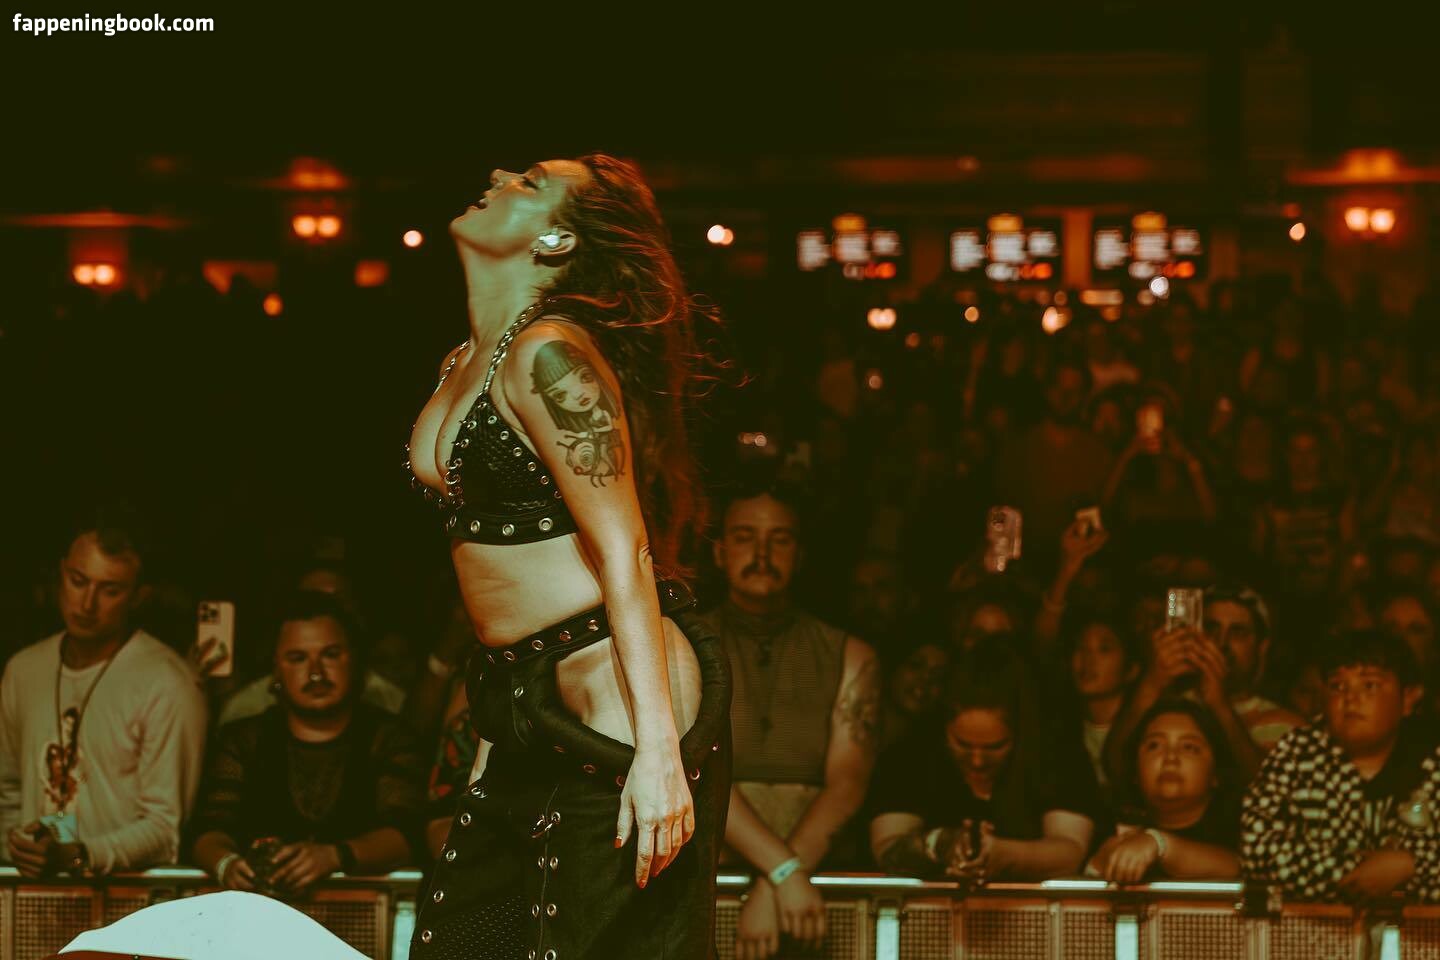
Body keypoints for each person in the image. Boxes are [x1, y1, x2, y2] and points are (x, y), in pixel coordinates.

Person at [403, 155, 732, 960]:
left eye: (529, 182)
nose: (499, 173)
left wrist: (659, 755)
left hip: (613, 688)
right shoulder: (464, 360)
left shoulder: (548, 355)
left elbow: (625, 548)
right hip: (523, 695)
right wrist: (491, 740)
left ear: (555, 240)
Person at [696, 480, 880, 959]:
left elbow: (848, 783)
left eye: (779, 539)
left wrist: (778, 879)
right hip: (711, 887)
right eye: (744, 536)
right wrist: (781, 872)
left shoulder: (851, 656)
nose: (761, 553)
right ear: (719, 552)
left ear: (799, 555)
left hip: (816, 893)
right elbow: (699, 773)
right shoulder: (685, 649)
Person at [0, 504, 208, 876]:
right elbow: (8, 791)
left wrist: (78, 856)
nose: (87, 604)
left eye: (110, 590)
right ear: (61, 573)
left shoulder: (168, 683)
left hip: (126, 897)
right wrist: (19, 847)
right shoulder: (23, 670)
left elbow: (165, 829)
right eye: (78, 581)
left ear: (139, 596)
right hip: (33, 890)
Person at [188, 590, 426, 897]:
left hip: (359, 911)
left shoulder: (391, 737)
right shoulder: (243, 740)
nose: (315, 673)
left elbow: (407, 835)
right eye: (297, 658)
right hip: (259, 910)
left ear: (354, 660)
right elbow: (208, 829)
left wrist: (334, 856)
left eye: (330, 654)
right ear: (276, 669)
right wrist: (227, 864)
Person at [868, 639, 1098, 882]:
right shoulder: (911, 753)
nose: (977, 761)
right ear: (945, 727)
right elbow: (888, 850)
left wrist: (1004, 855)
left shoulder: (1056, 753)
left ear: (1020, 733)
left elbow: (1070, 851)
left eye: (995, 747)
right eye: (962, 744)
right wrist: (938, 844)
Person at [1241, 630, 1440, 902]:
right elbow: (1256, 850)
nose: (1351, 698)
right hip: (1318, 926)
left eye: (1369, 685)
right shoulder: (1297, 752)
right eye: (1337, 686)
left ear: (1408, 698)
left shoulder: (1433, 756)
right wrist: (1371, 872)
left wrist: (1411, 864)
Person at [1087, 700, 1241, 882]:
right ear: (1135, 770)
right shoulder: (1111, 827)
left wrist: (1157, 843)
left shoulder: (1243, 825)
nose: (1170, 757)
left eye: (1189, 747)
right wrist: (1097, 865)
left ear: (1216, 773)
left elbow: (1236, 867)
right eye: (1154, 745)